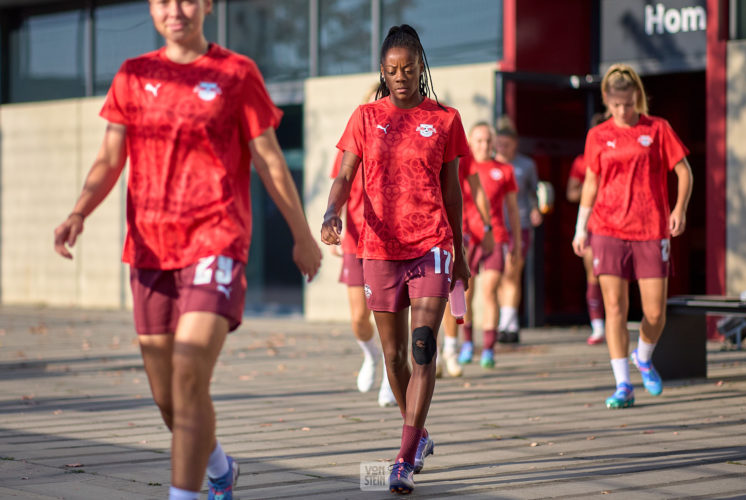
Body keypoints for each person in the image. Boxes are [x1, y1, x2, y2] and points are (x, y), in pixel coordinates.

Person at [53, 1, 322, 499]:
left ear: (209, 5)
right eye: (162, 0)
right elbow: (111, 157)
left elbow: (268, 159)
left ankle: (186, 494)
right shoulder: (133, 75)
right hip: (150, 248)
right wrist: (78, 212)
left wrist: (302, 235)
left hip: (216, 239)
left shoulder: (236, 73)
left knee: (188, 369)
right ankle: (220, 469)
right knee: (167, 398)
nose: (175, 9)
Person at [321, 24, 470, 495]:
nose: (401, 77)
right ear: (382, 72)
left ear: (421, 67)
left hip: (432, 244)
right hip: (380, 249)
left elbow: (453, 195)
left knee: (423, 346)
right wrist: (330, 211)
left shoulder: (445, 119)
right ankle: (419, 434)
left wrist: (461, 254)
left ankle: (403, 459)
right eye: (392, 70)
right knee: (394, 355)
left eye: (408, 68)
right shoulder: (365, 117)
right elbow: (345, 174)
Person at [572, 63, 693, 409]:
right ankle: (623, 383)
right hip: (607, 229)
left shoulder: (658, 128)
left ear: (638, 97)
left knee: (655, 313)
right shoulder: (598, 135)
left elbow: (684, 172)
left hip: (651, 229)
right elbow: (591, 183)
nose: (623, 111)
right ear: (607, 101)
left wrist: (679, 209)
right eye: (616, 105)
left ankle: (643, 356)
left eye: (629, 103)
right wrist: (581, 228)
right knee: (615, 307)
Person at [329, 84, 397, 407]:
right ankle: (371, 356)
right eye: (372, 103)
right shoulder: (352, 139)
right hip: (356, 239)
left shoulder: (398, 143)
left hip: (388, 241)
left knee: (386, 313)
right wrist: (333, 221)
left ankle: (390, 371)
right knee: (359, 317)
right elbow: (340, 183)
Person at [457, 122, 521, 368]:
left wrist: (514, 242)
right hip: (467, 237)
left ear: (494, 143)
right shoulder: (462, 167)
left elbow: (513, 210)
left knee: (490, 291)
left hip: (496, 238)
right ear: (471, 143)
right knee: (467, 293)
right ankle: (467, 343)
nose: (484, 145)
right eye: (479, 140)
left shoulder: (504, 170)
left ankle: (489, 348)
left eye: (488, 140)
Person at [440, 126, 495, 377]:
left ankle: (451, 349)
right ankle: (430, 353)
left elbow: (478, 191)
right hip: (422, 230)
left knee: (455, 290)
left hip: (456, 232)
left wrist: (487, 227)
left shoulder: (464, 154)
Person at [494, 116, 542, 343]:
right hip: (494, 227)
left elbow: (534, 192)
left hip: (519, 225)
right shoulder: (489, 164)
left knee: (512, 272)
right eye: (499, 144)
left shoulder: (526, 165)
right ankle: (509, 323)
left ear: (515, 143)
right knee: (500, 276)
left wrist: (536, 209)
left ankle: (507, 323)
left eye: (506, 144)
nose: (502, 148)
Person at [567, 113, 607, 345]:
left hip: (620, 225)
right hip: (593, 225)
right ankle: (598, 326)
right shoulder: (583, 161)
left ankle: (613, 322)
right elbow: (571, 193)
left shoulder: (620, 156)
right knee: (594, 274)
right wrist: (592, 188)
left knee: (617, 276)